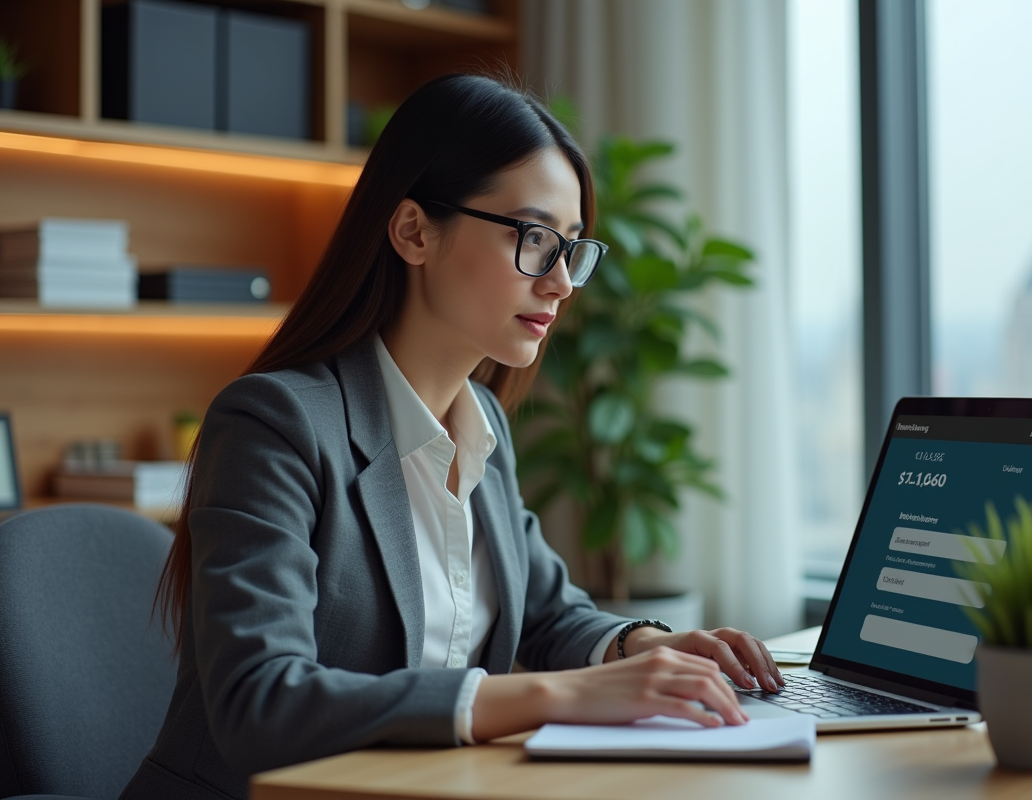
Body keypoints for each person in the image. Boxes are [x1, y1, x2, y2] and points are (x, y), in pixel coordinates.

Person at [121, 73, 784, 800]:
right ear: (413, 231)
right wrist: (559, 697)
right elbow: (263, 703)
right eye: (534, 239)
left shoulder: (481, 421)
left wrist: (644, 648)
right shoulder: (272, 425)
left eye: (571, 249)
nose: (561, 283)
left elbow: (545, 612)